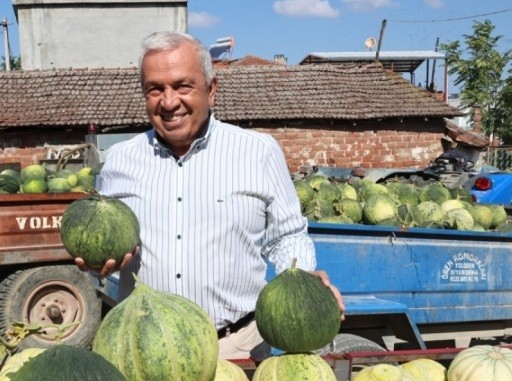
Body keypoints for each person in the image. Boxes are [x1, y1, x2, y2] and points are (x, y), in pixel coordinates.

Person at [76, 31, 344, 360]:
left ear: (211, 90)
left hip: (235, 347)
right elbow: (108, 244)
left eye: (182, 86)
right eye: (155, 89)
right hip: (147, 351)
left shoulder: (257, 152)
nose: (169, 101)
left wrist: (301, 277)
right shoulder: (120, 160)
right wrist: (97, 265)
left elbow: (287, 234)